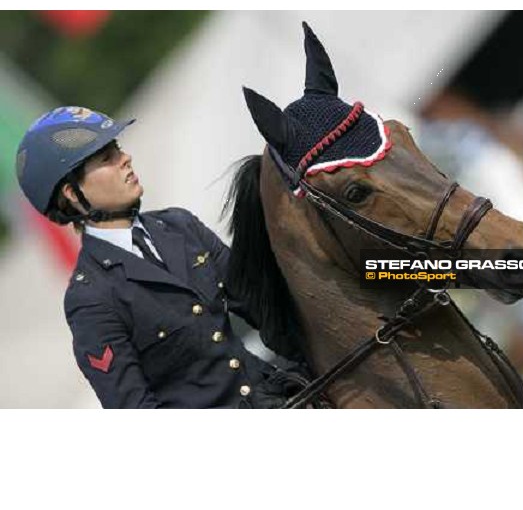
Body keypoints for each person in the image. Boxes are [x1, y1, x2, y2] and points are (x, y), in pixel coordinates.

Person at [15, 106, 307, 408]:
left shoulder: (180, 226)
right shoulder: (91, 298)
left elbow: (266, 305)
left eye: (117, 149)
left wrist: (362, 274)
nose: (124, 159)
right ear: (73, 194)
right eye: (106, 158)